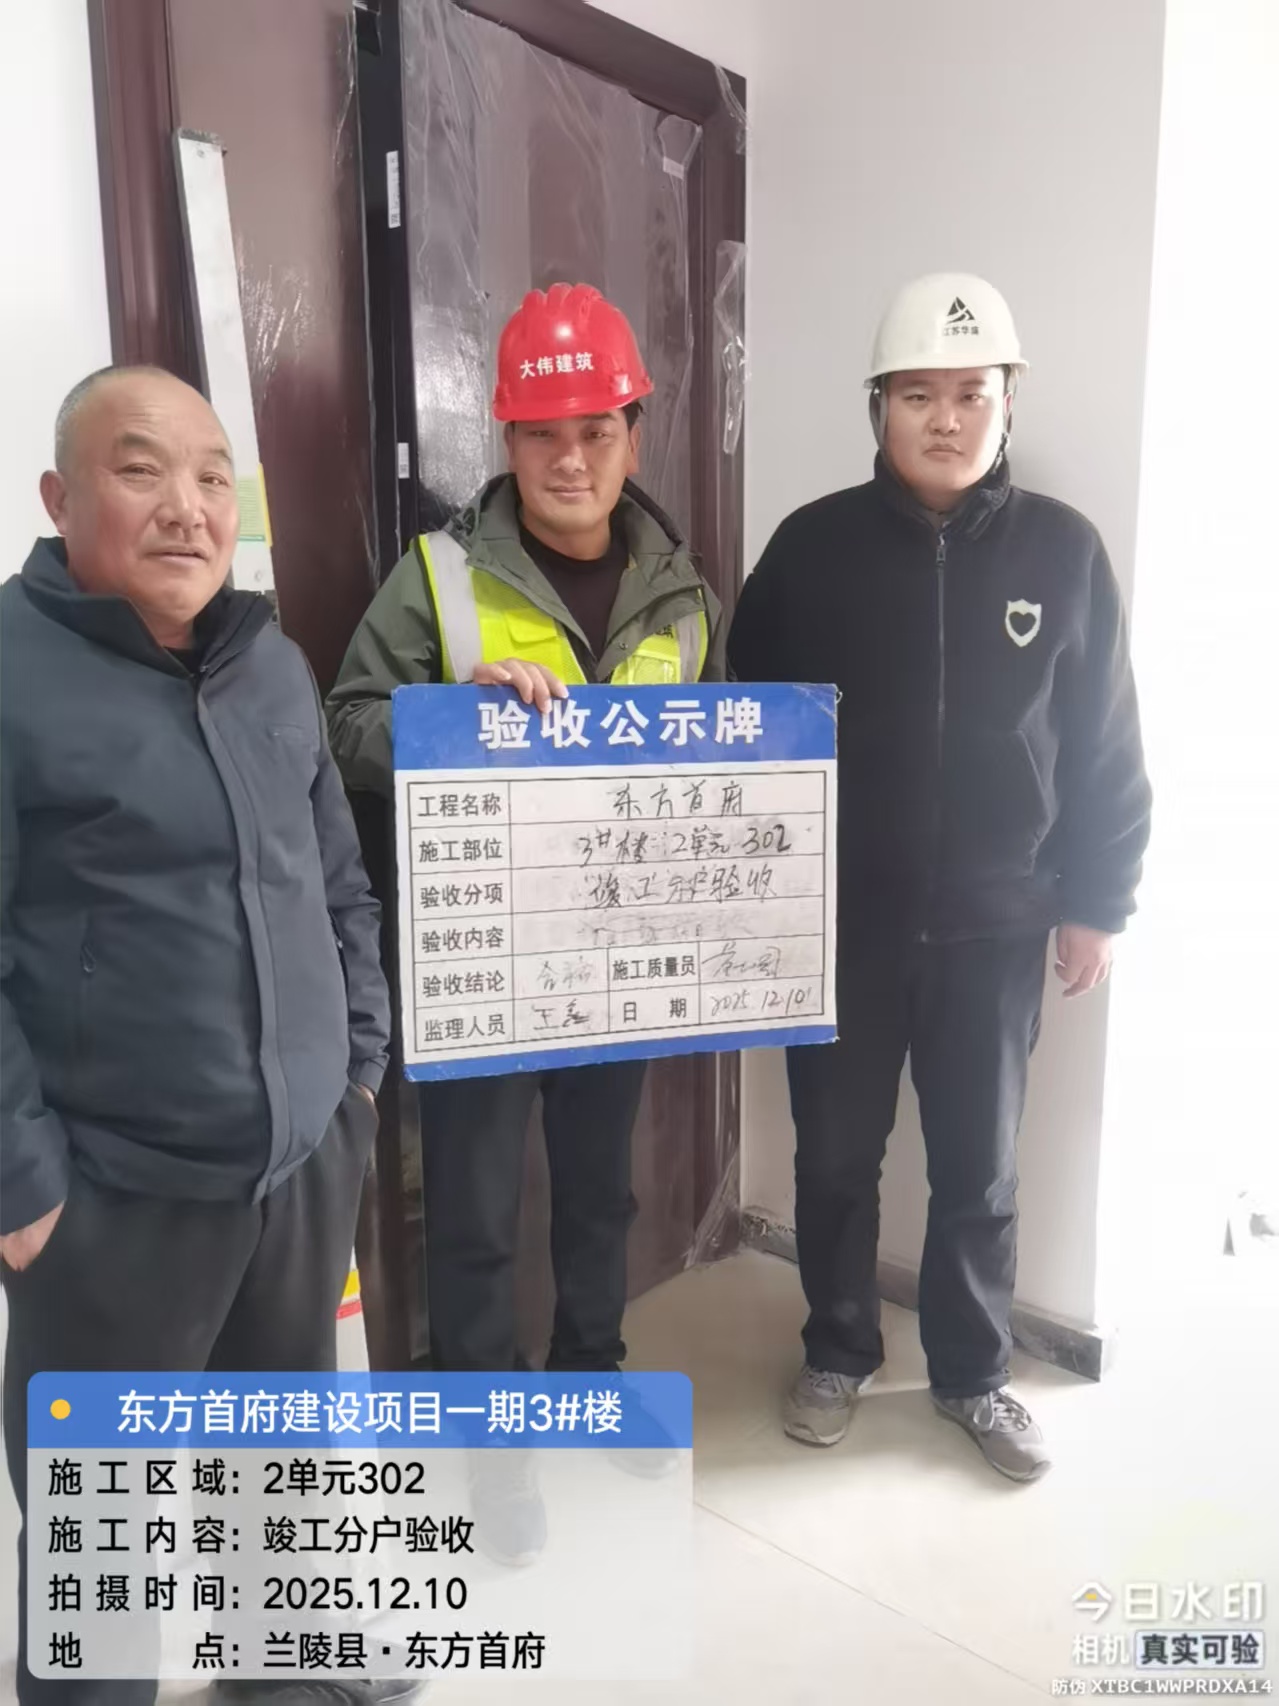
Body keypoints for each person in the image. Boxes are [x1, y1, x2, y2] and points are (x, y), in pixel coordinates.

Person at [0, 367, 409, 1705]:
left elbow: (338, 885)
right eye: (142, 470)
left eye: (214, 476)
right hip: (113, 1198)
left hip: (295, 1170)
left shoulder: (270, 664)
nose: (188, 506)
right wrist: (24, 1186)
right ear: (60, 498)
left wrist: (356, 1074)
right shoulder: (12, 674)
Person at [728, 274, 1151, 1482]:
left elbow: (1106, 743)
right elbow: (745, 726)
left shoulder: (1064, 553)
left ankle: (971, 1373)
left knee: (979, 1164)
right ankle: (836, 1349)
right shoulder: (809, 547)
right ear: (878, 407)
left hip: (999, 925)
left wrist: (1095, 902)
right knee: (832, 1156)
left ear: (1007, 401)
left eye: (970, 393)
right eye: (919, 394)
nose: (946, 419)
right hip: (839, 927)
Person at [326, 283, 723, 1551]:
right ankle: (491, 1441)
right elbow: (343, 722)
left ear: (633, 436)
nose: (570, 458)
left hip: (615, 962)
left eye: (595, 430)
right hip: (481, 959)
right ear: (505, 437)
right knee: (477, 1213)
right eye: (543, 433)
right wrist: (456, 720)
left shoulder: (683, 595)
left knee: (601, 1196)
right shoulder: (438, 577)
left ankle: (592, 1379)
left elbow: (720, 772)